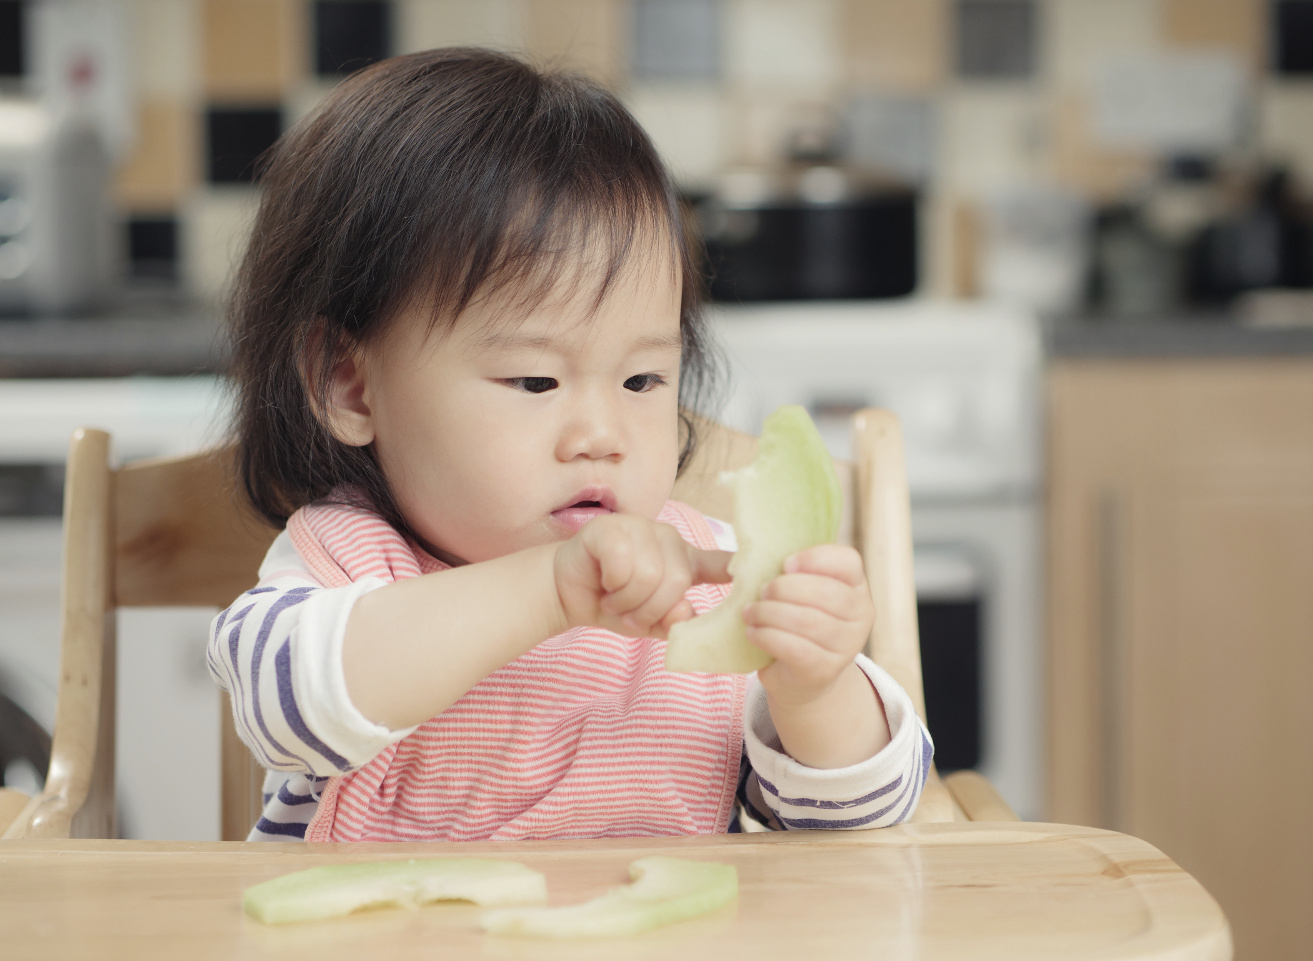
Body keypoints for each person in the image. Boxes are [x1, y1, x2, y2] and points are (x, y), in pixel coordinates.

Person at [208, 47, 933, 843]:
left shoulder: (711, 581)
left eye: (642, 382)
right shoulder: (343, 566)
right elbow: (284, 709)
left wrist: (813, 687)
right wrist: (548, 590)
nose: (602, 436)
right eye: (535, 383)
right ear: (351, 384)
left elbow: (864, 818)